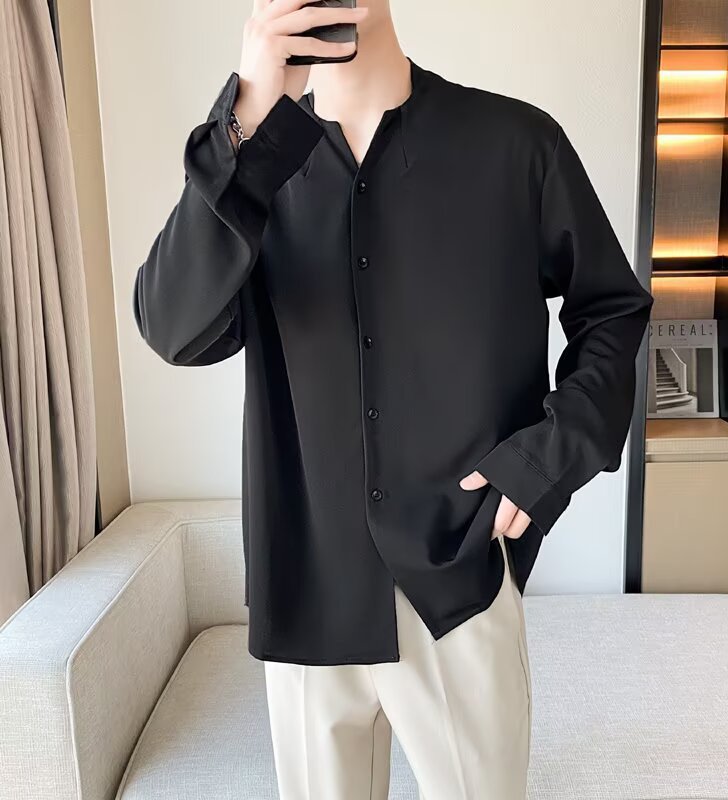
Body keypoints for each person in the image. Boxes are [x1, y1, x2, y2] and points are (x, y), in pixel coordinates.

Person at [132, 0, 655, 797]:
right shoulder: (251, 178)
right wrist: (245, 116)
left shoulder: (516, 145)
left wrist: (546, 459)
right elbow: (174, 328)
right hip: (308, 587)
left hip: (459, 574)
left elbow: (612, 309)